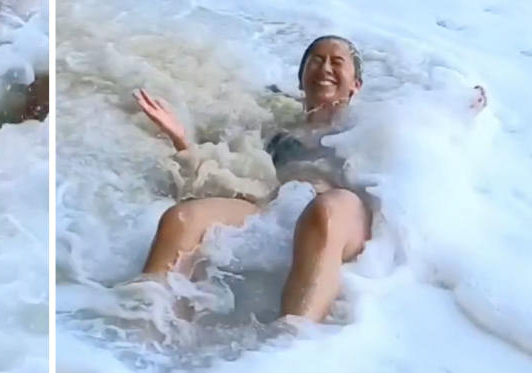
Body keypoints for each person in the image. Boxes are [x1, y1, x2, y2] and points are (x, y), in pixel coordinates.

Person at [135, 35, 487, 322]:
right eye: (316, 60)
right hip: (277, 211)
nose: (325, 68)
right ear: (302, 78)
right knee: (183, 217)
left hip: (342, 218)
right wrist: (181, 139)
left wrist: (454, 112)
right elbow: (228, 178)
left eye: (337, 61)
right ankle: (145, 325)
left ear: (356, 84)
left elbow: (419, 128)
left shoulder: (369, 123)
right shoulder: (277, 130)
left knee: (326, 209)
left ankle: (288, 347)